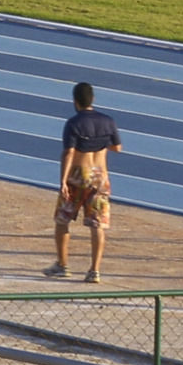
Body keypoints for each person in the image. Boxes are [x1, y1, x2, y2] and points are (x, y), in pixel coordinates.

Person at [51, 82, 122, 282]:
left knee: (62, 220)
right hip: (100, 176)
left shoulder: (73, 123)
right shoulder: (108, 121)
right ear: (93, 100)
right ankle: (94, 270)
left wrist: (63, 181)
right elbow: (117, 147)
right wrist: (98, 144)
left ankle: (62, 265)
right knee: (97, 225)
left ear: (75, 101)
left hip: (77, 175)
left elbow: (69, 152)